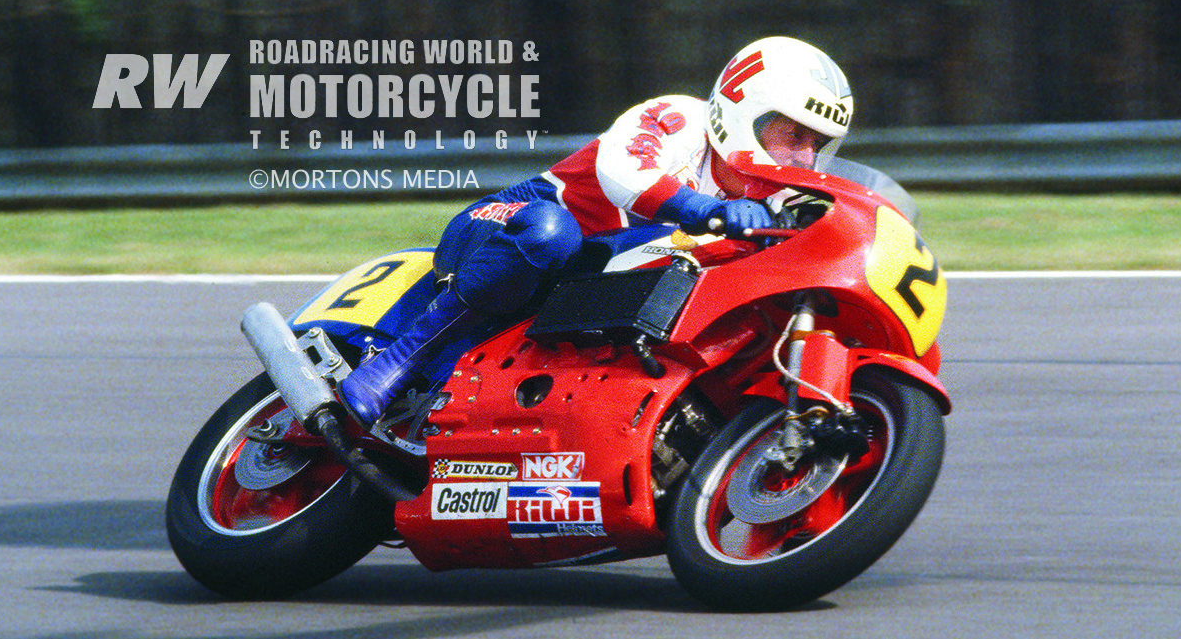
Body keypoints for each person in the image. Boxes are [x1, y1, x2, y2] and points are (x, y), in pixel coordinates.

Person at [339, 36, 855, 427]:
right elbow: (622, 172)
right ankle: (400, 361)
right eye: (792, 134)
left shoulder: (776, 202)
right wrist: (706, 210)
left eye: (817, 143)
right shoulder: (678, 118)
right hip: (511, 222)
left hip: (589, 283)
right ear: (745, 111)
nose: (804, 156)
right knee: (550, 234)